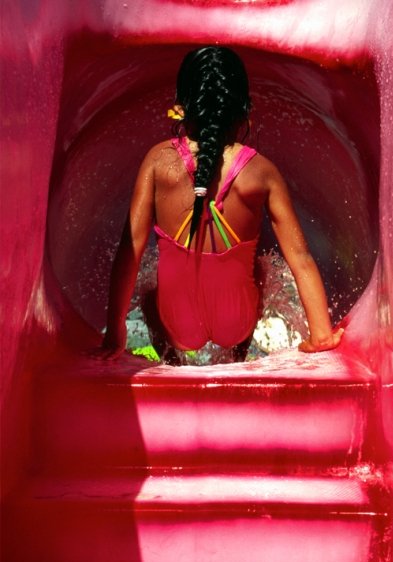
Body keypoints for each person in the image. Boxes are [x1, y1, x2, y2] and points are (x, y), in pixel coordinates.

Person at [95, 46, 343, 363]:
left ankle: (172, 364)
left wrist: (114, 333)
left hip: (176, 323)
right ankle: (236, 359)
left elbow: (129, 250)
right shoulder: (262, 172)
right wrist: (321, 334)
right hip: (236, 322)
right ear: (244, 110)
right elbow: (301, 258)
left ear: (181, 107)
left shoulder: (158, 161)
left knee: (148, 292)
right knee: (259, 270)